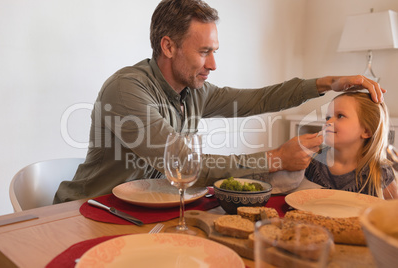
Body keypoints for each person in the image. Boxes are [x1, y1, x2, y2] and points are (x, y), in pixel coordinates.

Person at [53, 0, 385, 203]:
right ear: (168, 47)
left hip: (149, 206)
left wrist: (327, 83)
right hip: (89, 209)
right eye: (203, 52)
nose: (213, 64)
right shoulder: (127, 90)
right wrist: (274, 158)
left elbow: (258, 99)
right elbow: (185, 164)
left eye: (215, 51)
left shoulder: (194, 91)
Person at [305, 92, 398, 199]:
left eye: (340, 116)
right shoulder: (312, 161)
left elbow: (394, 210)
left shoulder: (380, 172)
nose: (328, 122)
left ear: (366, 131)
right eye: (328, 117)